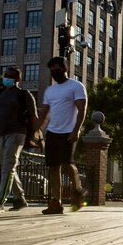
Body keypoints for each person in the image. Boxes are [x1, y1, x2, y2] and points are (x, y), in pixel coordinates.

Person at [0, 67, 39, 213]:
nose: (7, 78)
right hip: (0, 136)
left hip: (18, 133)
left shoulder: (24, 95)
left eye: (10, 76)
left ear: (18, 79)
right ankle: (20, 199)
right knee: (9, 167)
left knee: (8, 167)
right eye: (5, 75)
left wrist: (37, 137)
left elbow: (33, 117)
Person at [37, 57, 88, 214]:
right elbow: (44, 114)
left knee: (66, 164)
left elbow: (82, 110)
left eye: (58, 70)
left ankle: (78, 190)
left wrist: (76, 130)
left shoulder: (76, 86)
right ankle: (56, 202)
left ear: (65, 69)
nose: (55, 73)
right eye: (52, 71)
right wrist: (37, 131)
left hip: (69, 132)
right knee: (53, 167)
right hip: (52, 132)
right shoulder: (50, 90)